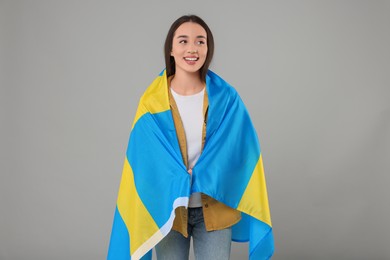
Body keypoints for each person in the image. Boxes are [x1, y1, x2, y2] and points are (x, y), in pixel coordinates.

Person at [108, 15, 274, 260]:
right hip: (170, 210)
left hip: (214, 208)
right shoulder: (152, 103)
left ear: (208, 49)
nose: (192, 49)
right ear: (172, 49)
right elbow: (143, 162)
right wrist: (174, 176)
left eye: (200, 41)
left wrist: (203, 173)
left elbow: (242, 152)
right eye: (183, 41)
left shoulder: (226, 98)